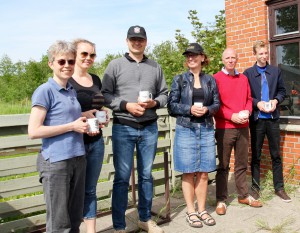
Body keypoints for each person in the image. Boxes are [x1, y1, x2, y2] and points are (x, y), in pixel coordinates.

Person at [101, 25, 168, 233]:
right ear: (127, 41)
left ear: (146, 41)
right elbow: (105, 94)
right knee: (122, 177)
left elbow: (165, 94)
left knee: (146, 175)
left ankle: (145, 219)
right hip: (124, 127)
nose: (137, 42)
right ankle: (119, 226)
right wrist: (125, 105)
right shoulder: (115, 65)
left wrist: (154, 103)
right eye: (133, 39)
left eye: (140, 39)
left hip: (149, 127)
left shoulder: (155, 66)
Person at [28, 40, 88, 232]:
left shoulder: (71, 90)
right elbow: (34, 131)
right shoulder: (45, 91)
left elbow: (64, 117)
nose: (67, 66)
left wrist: (87, 117)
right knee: (59, 223)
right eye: (61, 62)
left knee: (75, 218)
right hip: (56, 162)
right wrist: (72, 126)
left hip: (77, 158)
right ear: (51, 63)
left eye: (71, 62)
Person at [167, 43, 220, 228]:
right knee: (188, 171)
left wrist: (207, 110)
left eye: (194, 55)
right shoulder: (179, 79)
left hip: (205, 128)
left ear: (202, 57)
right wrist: (189, 109)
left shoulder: (210, 80)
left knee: (204, 172)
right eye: (188, 55)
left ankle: (202, 209)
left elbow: (217, 104)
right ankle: (191, 211)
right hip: (186, 129)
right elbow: (171, 106)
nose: (191, 58)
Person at [213, 48, 263, 216]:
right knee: (223, 166)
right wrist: (231, 116)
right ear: (223, 60)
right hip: (224, 128)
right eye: (227, 58)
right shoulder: (216, 79)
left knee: (241, 164)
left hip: (243, 127)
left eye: (233, 57)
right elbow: (215, 105)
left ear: (237, 59)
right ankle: (221, 199)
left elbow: (249, 99)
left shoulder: (243, 78)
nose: (231, 60)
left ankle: (243, 195)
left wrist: (248, 112)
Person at [243, 41, 291, 202]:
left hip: (272, 119)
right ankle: (255, 188)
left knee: (276, 154)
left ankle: (279, 188)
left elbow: (283, 91)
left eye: (265, 53)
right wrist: (257, 103)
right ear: (255, 55)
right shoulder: (248, 73)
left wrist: (276, 100)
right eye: (260, 54)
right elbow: (246, 96)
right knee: (255, 155)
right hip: (257, 120)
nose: (264, 56)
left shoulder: (275, 71)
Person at [69, 38, 109, 233]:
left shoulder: (95, 79)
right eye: (84, 54)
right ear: (74, 55)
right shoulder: (66, 80)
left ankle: (91, 231)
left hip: (96, 140)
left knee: (90, 189)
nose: (88, 58)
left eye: (92, 54)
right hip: (74, 143)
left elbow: (98, 106)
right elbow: (60, 111)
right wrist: (82, 115)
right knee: (73, 190)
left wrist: (103, 115)